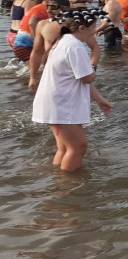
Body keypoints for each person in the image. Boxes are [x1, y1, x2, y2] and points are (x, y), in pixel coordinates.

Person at [31, 9, 113, 172]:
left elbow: (79, 78)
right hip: (60, 104)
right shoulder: (74, 45)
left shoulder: (63, 40)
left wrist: (99, 99)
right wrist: (94, 65)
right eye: (93, 28)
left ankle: (59, 183)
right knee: (78, 147)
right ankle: (67, 187)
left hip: (54, 102)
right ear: (82, 28)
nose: (95, 31)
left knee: (64, 148)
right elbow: (87, 78)